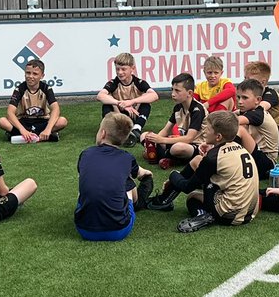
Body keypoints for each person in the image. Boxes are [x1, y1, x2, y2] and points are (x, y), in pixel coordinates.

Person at [148, 111, 260, 233]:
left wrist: (173, 175)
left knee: (192, 198)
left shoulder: (213, 157)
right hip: (250, 212)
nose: (204, 130)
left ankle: (204, 216)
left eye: (208, 128)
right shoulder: (240, 148)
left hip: (229, 215)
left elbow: (187, 187)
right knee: (197, 160)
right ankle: (164, 200)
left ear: (218, 137)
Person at [75, 113, 155, 241]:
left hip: (84, 229)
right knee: (127, 180)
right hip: (119, 230)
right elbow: (140, 173)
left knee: (90, 179)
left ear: (102, 133)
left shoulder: (86, 154)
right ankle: (135, 204)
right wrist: (148, 174)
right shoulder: (126, 157)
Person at [139, 72, 205, 169]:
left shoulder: (197, 110)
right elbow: (166, 130)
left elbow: (189, 138)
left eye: (177, 91)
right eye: (172, 90)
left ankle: (161, 156)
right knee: (145, 135)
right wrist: (154, 139)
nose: (173, 94)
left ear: (190, 93)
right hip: (180, 142)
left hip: (196, 146)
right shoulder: (178, 107)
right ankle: (165, 157)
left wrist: (162, 140)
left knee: (178, 148)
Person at [0, 58, 68, 143]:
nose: (30, 76)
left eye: (35, 74)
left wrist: (48, 129)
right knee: (2, 121)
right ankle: (42, 136)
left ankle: (20, 135)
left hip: (42, 121)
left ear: (42, 76)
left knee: (62, 121)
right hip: (24, 121)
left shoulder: (46, 88)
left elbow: (56, 109)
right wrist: (23, 130)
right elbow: (10, 112)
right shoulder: (19, 89)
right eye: (28, 73)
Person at [96, 52, 159, 146]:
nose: (120, 72)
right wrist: (120, 103)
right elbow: (100, 96)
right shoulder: (113, 82)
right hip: (118, 116)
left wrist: (132, 102)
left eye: (123, 69)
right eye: (117, 69)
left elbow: (154, 96)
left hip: (134, 114)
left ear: (132, 69)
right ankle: (111, 131)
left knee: (146, 104)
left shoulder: (139, 82)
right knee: (107, 104)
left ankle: (136, 129)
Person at [244, 60, 279, 155]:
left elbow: (259, 111)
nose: (246, 83)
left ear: (263, 82)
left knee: (255, 118)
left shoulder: (271, 94)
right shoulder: (250, 95)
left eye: (250, 80)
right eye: (245, 79)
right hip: (266, 135)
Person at [234, 78, 279, 179]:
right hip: (253, 156)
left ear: (258, 100)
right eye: (238, 97)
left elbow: (231, 122)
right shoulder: (245, 111)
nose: (240, 101)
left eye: (245, 98)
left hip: (268, 165)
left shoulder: (258, 114)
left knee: (238, 129)